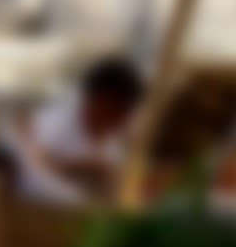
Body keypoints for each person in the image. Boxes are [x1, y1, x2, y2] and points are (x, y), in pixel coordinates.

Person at [13, 52, 145, 202]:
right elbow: (36, 178)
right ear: (97, 100)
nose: (123, 119)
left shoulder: (115, 138)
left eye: (126, 112)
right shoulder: (56, 123)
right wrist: (77, 170)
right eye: (117, 109)